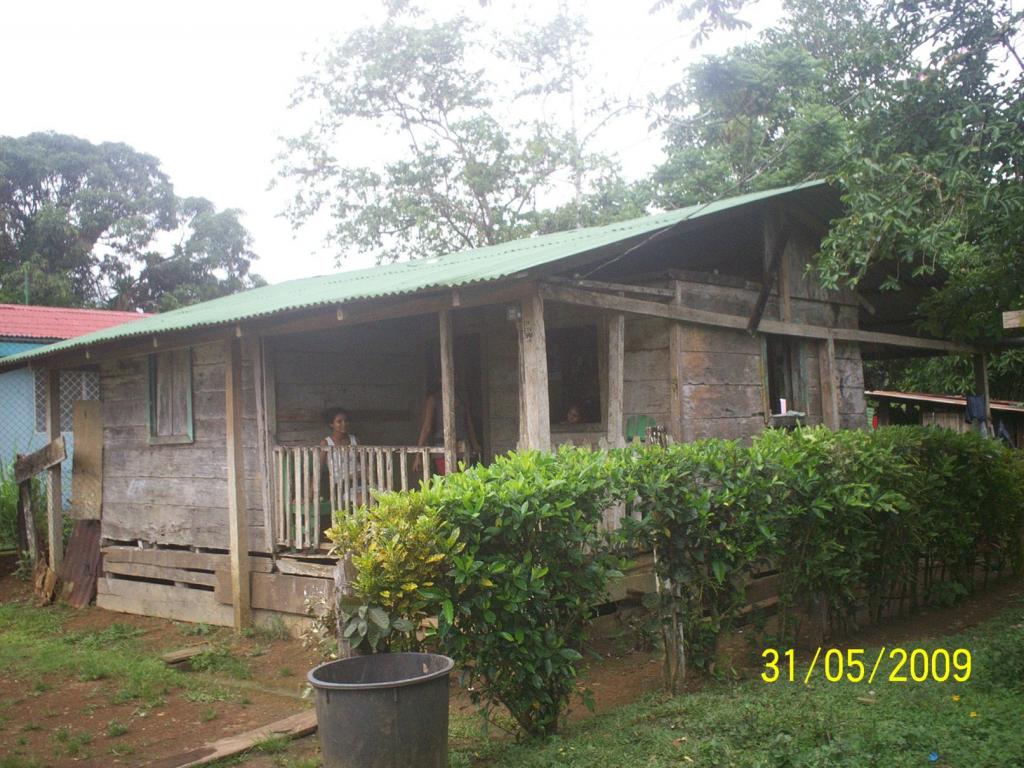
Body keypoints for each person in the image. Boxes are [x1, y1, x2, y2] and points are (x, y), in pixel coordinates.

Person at [412, 381, 480, 475]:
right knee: (448, 480)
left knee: (463, 483)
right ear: (440, 379)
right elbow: (426, 427)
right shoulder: (434, 399)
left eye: (456, 376)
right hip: (442, 448)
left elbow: (469, 425)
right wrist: (418, 455)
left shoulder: (461, 399)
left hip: (462, 448)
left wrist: (475, 444)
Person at [320, 409, 359, 496]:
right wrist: (309, 495)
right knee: (365, 500)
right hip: (342, 485)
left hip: (361, 480)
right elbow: (318, 469)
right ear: (331, 424)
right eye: (339, 421)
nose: (344, 424)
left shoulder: (354, 439)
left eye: (346, 421)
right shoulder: (326, 443)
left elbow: (365, 463)